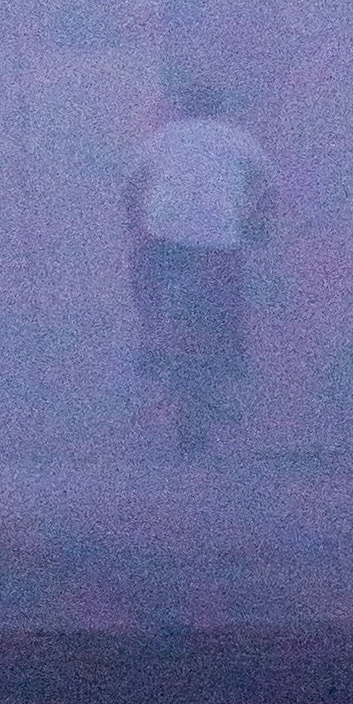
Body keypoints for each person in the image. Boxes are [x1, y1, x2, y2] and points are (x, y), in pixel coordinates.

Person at [124, 79, 277, 445]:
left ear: (181, 106)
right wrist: (260, 225)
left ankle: (150, 336)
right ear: (219, 107)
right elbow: (268, 186)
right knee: (230, 296)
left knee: (142, 275)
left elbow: (132, 187)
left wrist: (136, 228)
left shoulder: (163, 137)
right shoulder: (237, 138)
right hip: (217, 238)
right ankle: (233, 354)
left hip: (164, 232)